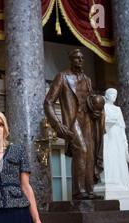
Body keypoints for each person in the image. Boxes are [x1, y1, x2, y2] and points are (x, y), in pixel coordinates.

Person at [44, 49, 104, 200]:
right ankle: (79, 191)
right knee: (82, 150)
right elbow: (48, 102)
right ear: (71, 60)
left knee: (89, 154)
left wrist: (97, 110)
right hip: (73, 121)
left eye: (82, 58)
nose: (80, 60)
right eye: (76, 58)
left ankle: (89, 190)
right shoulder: (62, 77)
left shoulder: (87, 80)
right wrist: (57, 125)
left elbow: (89, 101)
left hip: (88, 120)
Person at [103, 88, 129, 190]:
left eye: (115, 94)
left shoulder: (118, 109)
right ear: (106, 95)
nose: (114, 96)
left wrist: (125, 144)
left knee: (119, 157)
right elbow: (100, 122)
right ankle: (111, 181)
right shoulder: (103, 107)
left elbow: (122, 127)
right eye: (111, 94)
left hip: (117, 136)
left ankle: (121, 182)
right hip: (107, 135)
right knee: (110, 157)